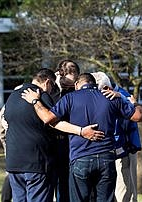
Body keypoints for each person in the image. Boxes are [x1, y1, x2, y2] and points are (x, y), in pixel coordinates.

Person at [21, 73, 142, 202]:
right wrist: (135, 103)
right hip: (106, 158)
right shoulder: (111, 97)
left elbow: (47, 118)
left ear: (76, 85)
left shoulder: (70, 98)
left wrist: (35, 101)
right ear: (95, 85)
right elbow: (138, 117)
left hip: (80, 157)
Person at [4, 69, 104, 202]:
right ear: (47, 83)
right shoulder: (42, 96)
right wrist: (81, 131)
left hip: (14, 162)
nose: (52, 91)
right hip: (36, 162)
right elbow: (54, 122)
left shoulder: (12, 96)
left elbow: (6, 121)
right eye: (52, 87)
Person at [92, 72, 141, 202]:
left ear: (106, 89)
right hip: (108, 149)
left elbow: (136, 116)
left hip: (123, 149)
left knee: (124, 190)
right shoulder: (111, 95)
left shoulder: (122, 96)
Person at [53, 59, 80, 202]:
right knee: (61, 187)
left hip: (77, 145)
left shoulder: (80, 91)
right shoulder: (54, 91)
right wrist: (58, 86)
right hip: (58, 145)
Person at [0, 105, 12, 202]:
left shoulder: (9, 104)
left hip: (11, 143)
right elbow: (2, 128)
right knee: (11, 174)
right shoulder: (10, 106)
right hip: (14, 144)